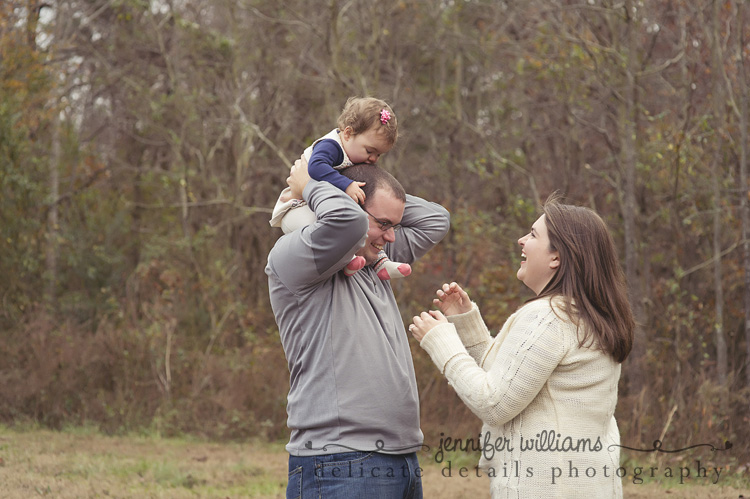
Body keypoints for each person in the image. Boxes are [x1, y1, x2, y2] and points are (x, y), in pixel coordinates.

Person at [409, 194, 634, 498]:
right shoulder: (587, 315)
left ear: (556, 257)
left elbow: (494, 403)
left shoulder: (548, 317)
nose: (521, 240)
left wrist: (442, 342)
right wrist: (466, 324)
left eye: (533, 234)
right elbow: (515, 379)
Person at [266, 157, 451, 498]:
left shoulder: (373, 257)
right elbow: (349, 223)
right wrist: (314, 184)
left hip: (401, 458)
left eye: (394, 224)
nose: (391, 236)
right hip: (340, 461)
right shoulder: (297, 258)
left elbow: (436, 220)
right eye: (383, 223)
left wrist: (365, 190)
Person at [269, 96, 411, 280]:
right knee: (325, 228)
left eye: (379, 155)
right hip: (297, 207)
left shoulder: (353, 154)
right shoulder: (331, 146)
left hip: (318, 204)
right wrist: (347, 185)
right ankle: (344, 259)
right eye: (369, 151)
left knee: (367, 228)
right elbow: (315, 167)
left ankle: (381, 262)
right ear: (347, 134)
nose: (373, 159)